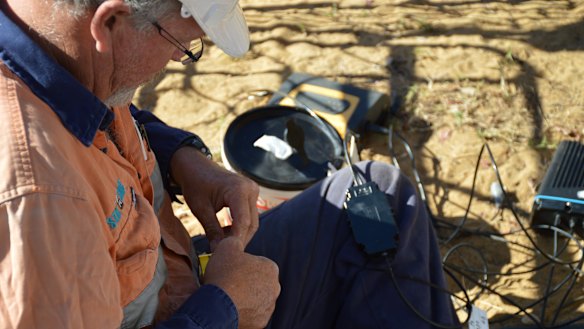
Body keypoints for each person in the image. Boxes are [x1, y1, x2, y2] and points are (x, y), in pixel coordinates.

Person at [0, 0, 460, 328]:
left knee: (376, 194)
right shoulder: (41, 204)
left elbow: (105, 110)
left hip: (186, 277)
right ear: (112, 20)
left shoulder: (51, 40)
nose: (178, 62)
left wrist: (183, 159)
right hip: (205, 309)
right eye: (181, 46)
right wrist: (225, 307)